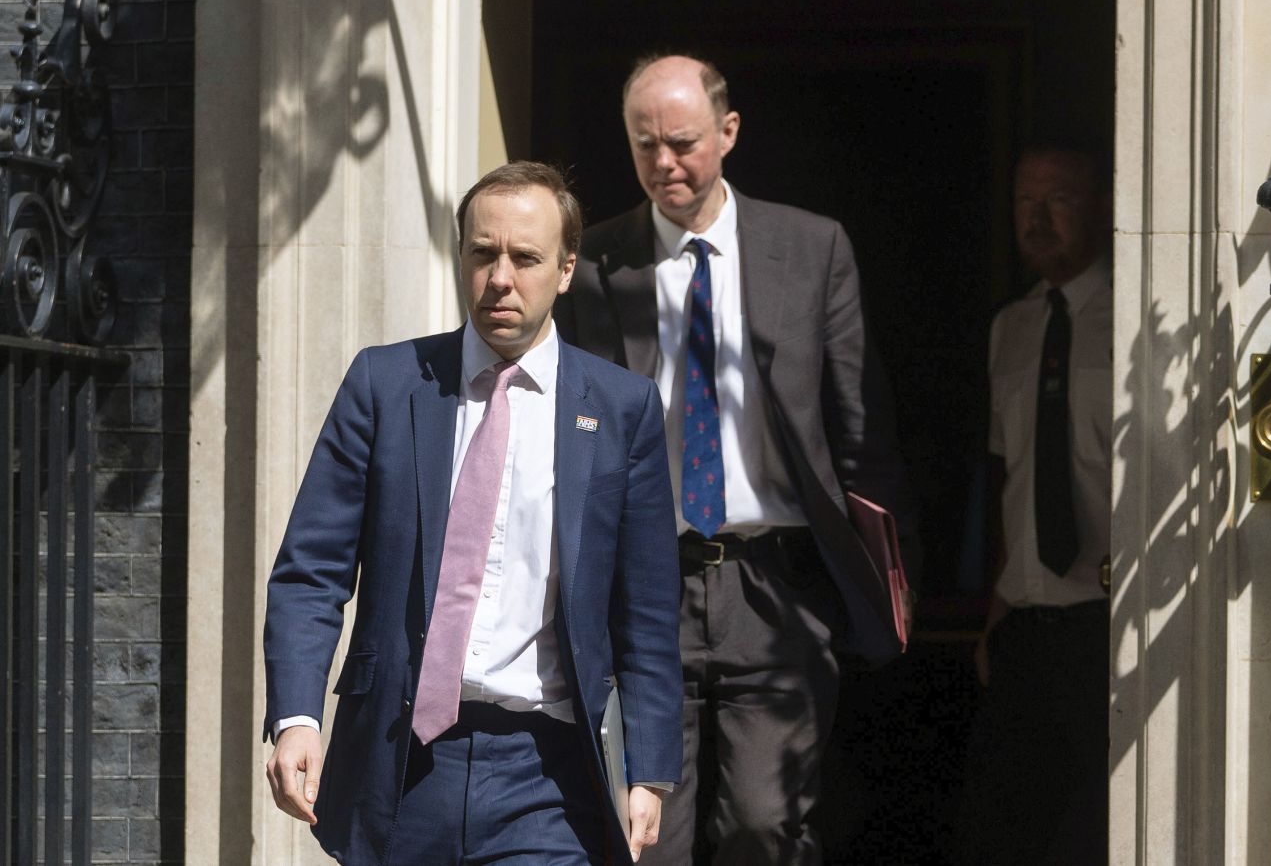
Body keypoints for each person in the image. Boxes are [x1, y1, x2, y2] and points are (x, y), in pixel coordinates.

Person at [262, 161, 683, 866]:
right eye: (482, 253)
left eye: (525, 258)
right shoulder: (385, 384)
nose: (500, 278)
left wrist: (649, 767)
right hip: (401, 763)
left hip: (549, 776)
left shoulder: (620, 409)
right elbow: (311, 570)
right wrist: (296, 717)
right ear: (460, 255)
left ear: (567, 267)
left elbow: (645, 609)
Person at [555, 54, 917, 865]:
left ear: (728, 132)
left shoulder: (810, 247)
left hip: (776, 584)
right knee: (646, 835)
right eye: (644, 145)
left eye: (681, 143)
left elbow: (860, 429)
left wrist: (889, 582)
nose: (663, 165)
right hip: (645, 582)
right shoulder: (596, 264)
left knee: (765, 825)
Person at [959, 145, 1112, 865]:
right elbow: (1009, 481)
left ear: (1103, 206)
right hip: (1023, 628)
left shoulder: (1134, 316)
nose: (1039, 218)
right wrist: (993, 621)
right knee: (1007, 832)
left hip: (1106, 623)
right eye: (1026, 201)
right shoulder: (1010, 327)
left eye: (1060, 199)